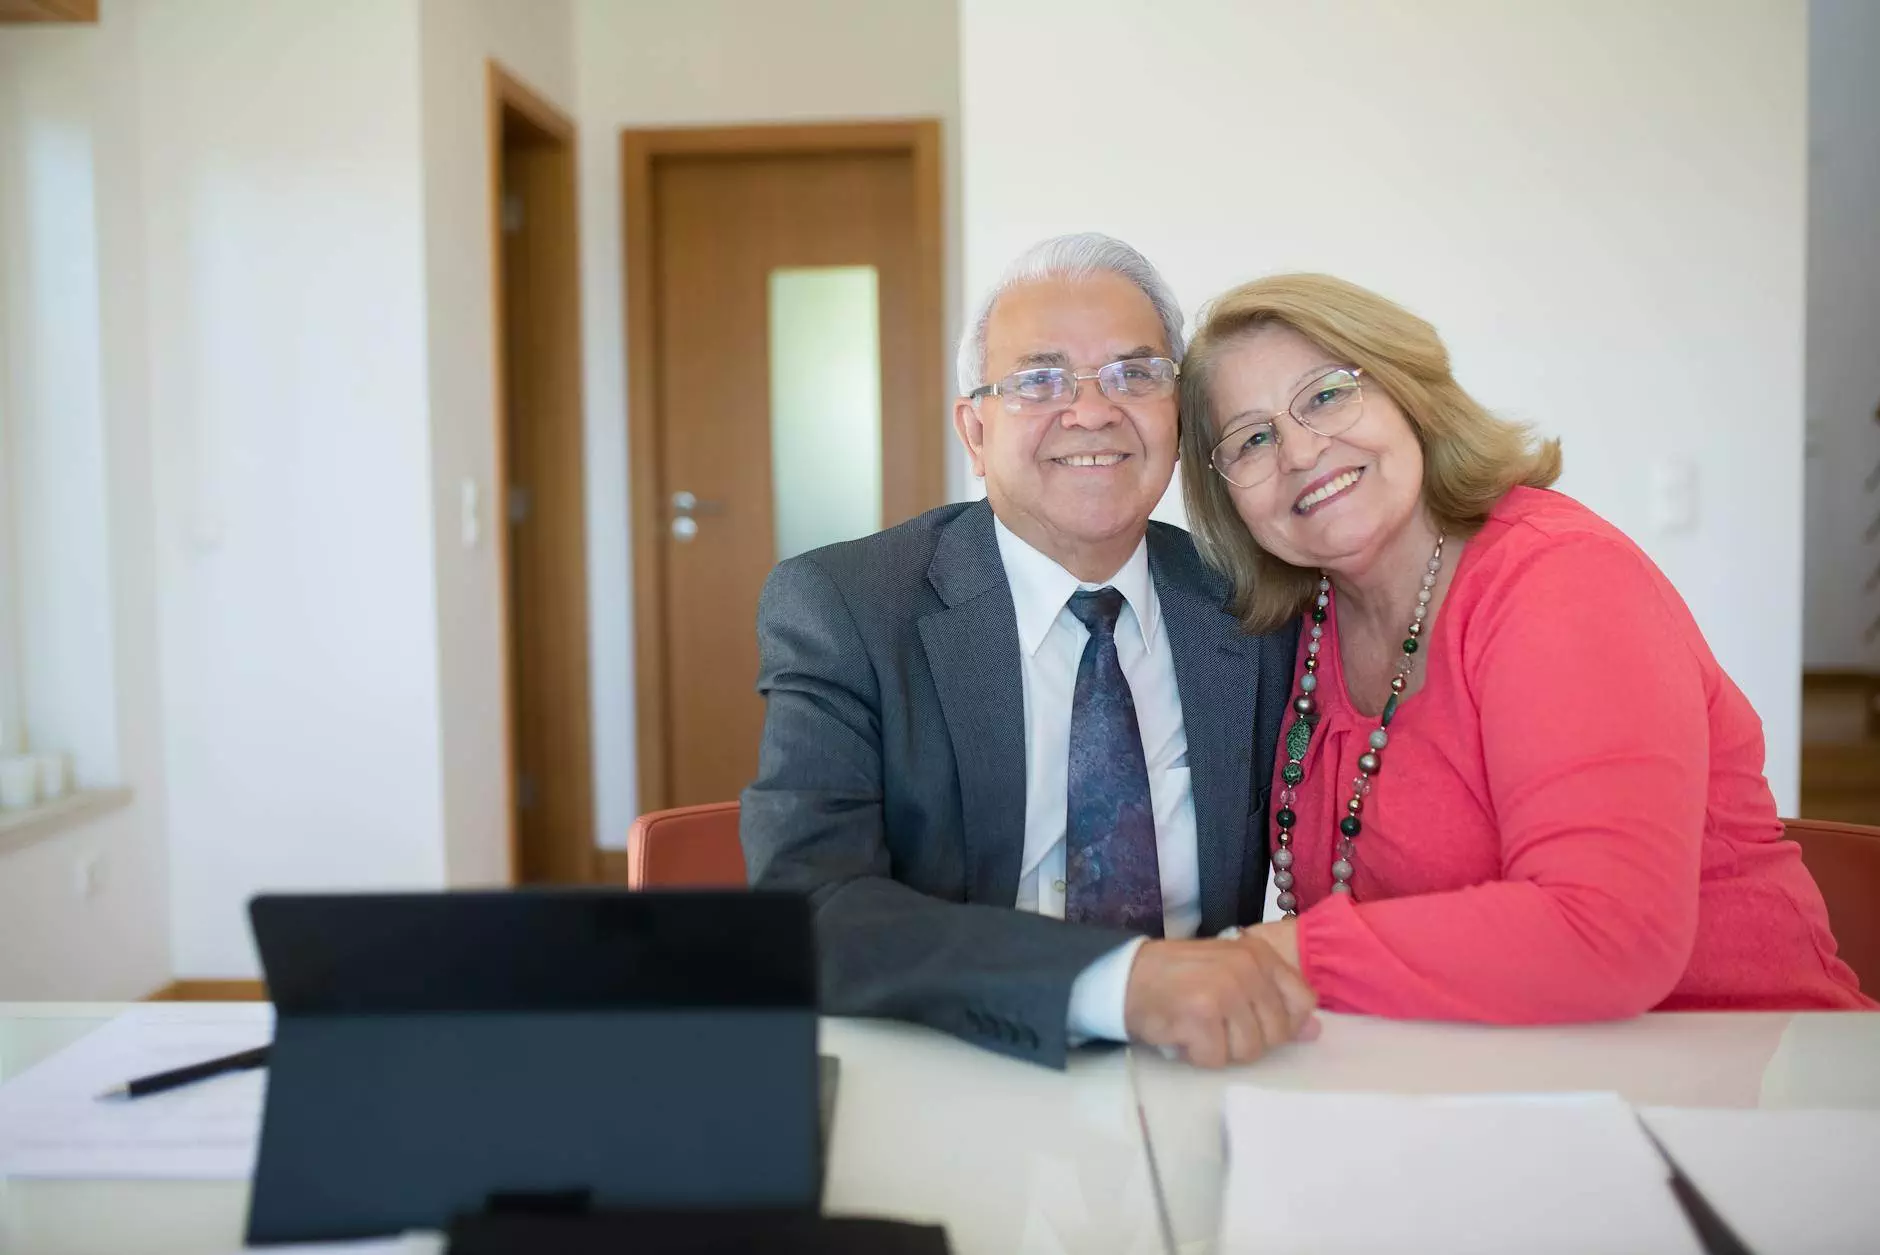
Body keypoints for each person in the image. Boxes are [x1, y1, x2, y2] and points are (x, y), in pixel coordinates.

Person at [1176, 272, 1873, 1018]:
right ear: (1228, 498)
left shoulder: (1560, 579)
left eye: (1326, 394)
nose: (1300, 450)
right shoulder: (1305, 628)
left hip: (1744, 1077)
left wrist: (1277, 955)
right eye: (1252, 438)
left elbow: (1607, 934)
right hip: (1482, 1082)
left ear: (1409, 393)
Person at [742, 234, 1314, 1068]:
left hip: (1203, 1065)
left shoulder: (1251, 606)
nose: (1091, 411)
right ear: (975, 430)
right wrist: (1116, 984)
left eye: (1134, 374)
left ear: (1179, 418)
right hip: (955, 1061)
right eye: (1039, 380)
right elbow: (813, 907)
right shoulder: (848, 607)